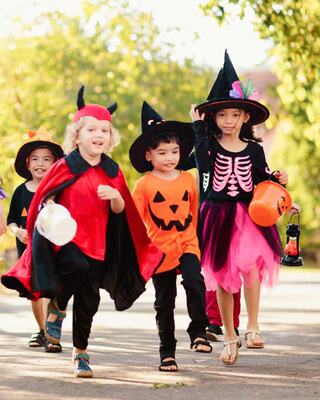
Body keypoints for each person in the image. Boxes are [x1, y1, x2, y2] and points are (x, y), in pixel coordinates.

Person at [1, 86, 163, 378]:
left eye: (104, 130)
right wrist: (49, 203)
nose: (98, 135)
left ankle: (80, 353)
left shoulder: (112, 171)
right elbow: (45, 198)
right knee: (75, 265)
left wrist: (114, 197)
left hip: (99, 244)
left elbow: (120, 212)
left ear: (110, 137)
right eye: (91, 130)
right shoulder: (64, 166)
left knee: (90, 300)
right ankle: (59, 306)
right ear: (77, 135)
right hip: (68, 241)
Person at [189, 50, 288, 366]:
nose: (228, 120)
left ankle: (253, 326)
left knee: (249, 268)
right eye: (221, 115)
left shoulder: (255, 150)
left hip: (248, 216)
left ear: (245, 117)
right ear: (212, 118)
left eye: (234, 114)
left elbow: (261, 180)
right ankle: (229, 336)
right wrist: (197, 129)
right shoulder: (209, 147)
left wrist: (278, 180)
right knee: (221, 278)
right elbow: (203, 164)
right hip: (217, 216)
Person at [129, 101, 212, 373]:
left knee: (194, 281)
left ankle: (199, 330)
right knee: (164, 302)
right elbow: (133, 222)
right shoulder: (143, 185)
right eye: (162, 152)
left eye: (175, 151)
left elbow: (194, 213)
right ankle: (167, 352)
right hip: (159, 249)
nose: (170, 157)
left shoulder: (188, 179)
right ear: (149, 155)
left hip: (187, 242)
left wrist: (198, 242)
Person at [7, 127, 64, 352]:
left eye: (47, 159)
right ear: (28, 163)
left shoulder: (58, 190)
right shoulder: (21, 191)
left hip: (52, 248)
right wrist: (17, 231)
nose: (40, 164)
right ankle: (41, 329)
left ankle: (52, 332)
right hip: (28, 249)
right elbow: (11, 221)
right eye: (36, 159)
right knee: (34, 293)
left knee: (52, 290)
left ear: (54, 164)